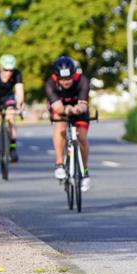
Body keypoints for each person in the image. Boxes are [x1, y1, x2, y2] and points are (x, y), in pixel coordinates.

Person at [45, 55, 92, 192]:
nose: (66, 82)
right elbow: (58, 108)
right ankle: (59, 164)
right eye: (63, 79)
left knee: (82, 137)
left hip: (78, 109)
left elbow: (83, 104)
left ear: (74, 75)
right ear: (56, 78)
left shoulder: (82, 80)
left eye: (69, 78)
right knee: (60, 125)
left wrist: (78, 109)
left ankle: (85, 171)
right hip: (60, 108)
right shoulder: (50, 84)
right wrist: (67, 109)